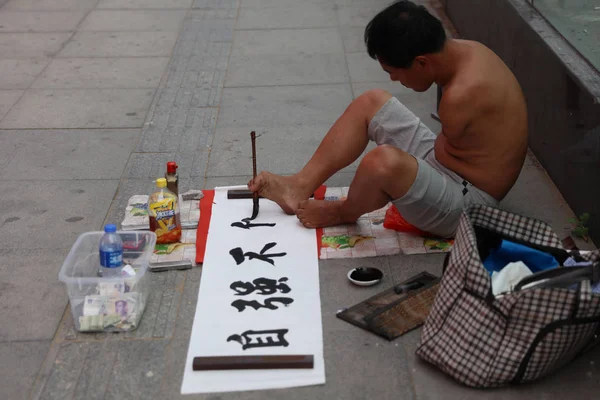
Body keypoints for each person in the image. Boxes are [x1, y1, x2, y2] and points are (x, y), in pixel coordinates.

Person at [248, 0, 528, 238]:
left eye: (395, 72)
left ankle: (342, 212)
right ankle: (299, 186)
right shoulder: (466, 50)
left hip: (471, 206)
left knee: (382, 163)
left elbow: (443, 155)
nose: (395, 79)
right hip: (452, 167)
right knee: (370, 102)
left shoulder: (461, 95)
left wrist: (399, 174)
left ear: (421, 62)